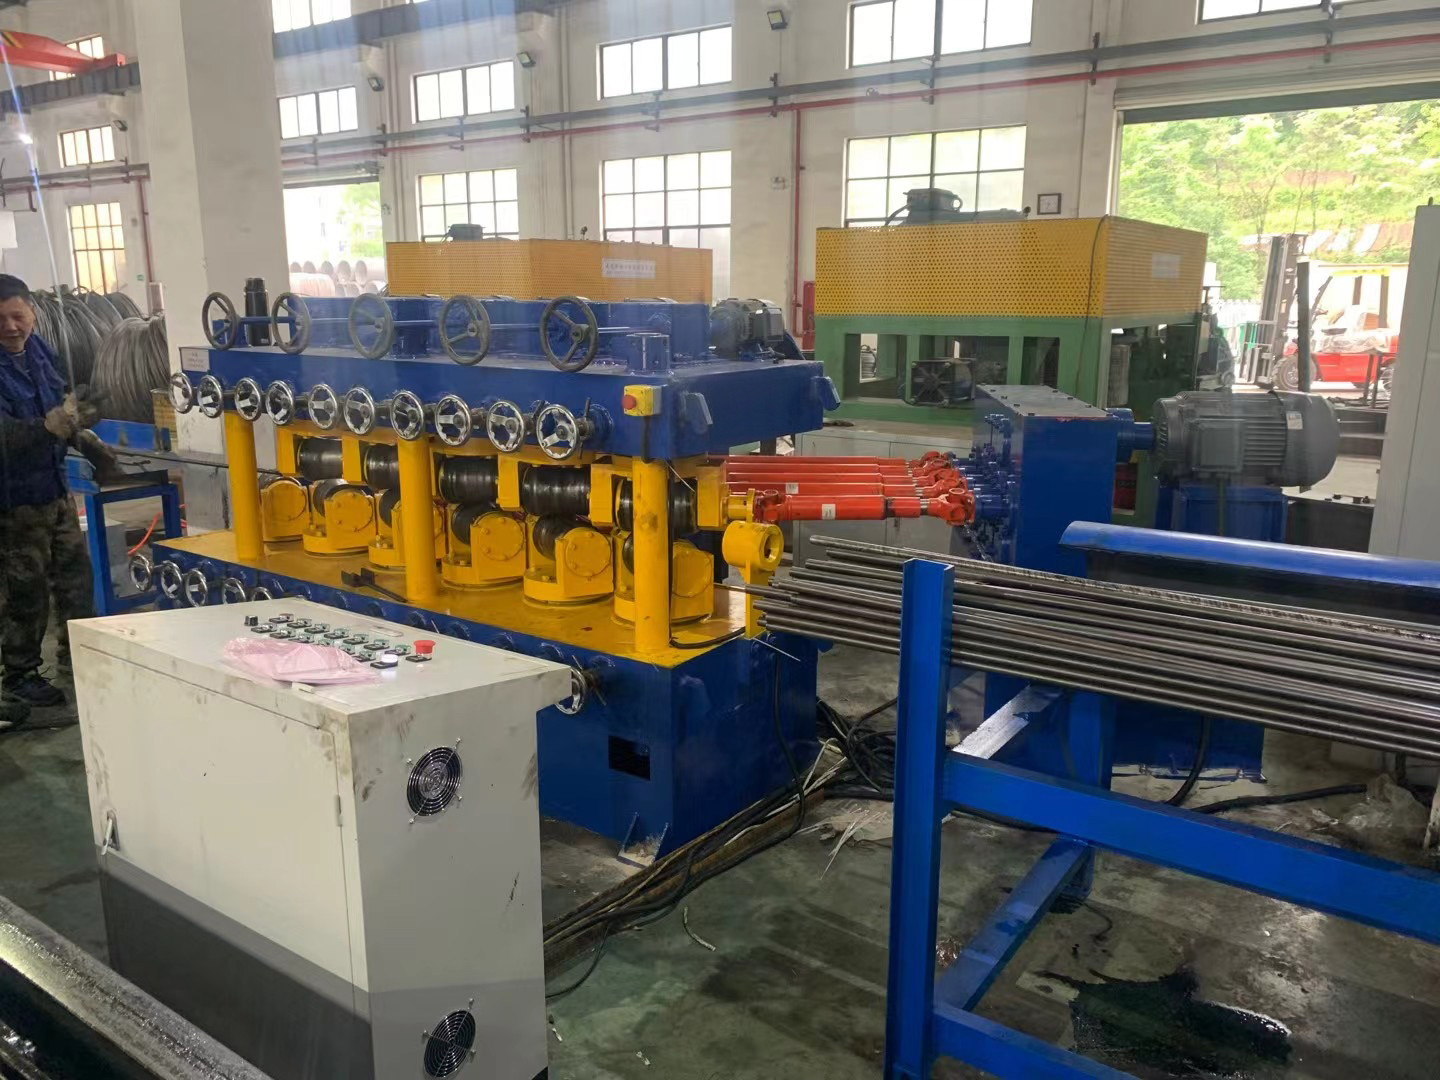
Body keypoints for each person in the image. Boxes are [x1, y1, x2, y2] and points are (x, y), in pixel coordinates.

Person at [0, 274, 96, 722]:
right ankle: (19, 677)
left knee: (76, 578)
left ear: (33, 315)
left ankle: (81, 655)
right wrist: (45, 428)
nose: (11, 327)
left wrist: (83, 435)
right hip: (12, 500)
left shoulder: (39, 351)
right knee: (25, 589)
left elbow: (59, 405)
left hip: (54, 489)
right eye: (1, 319)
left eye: (17, 315)